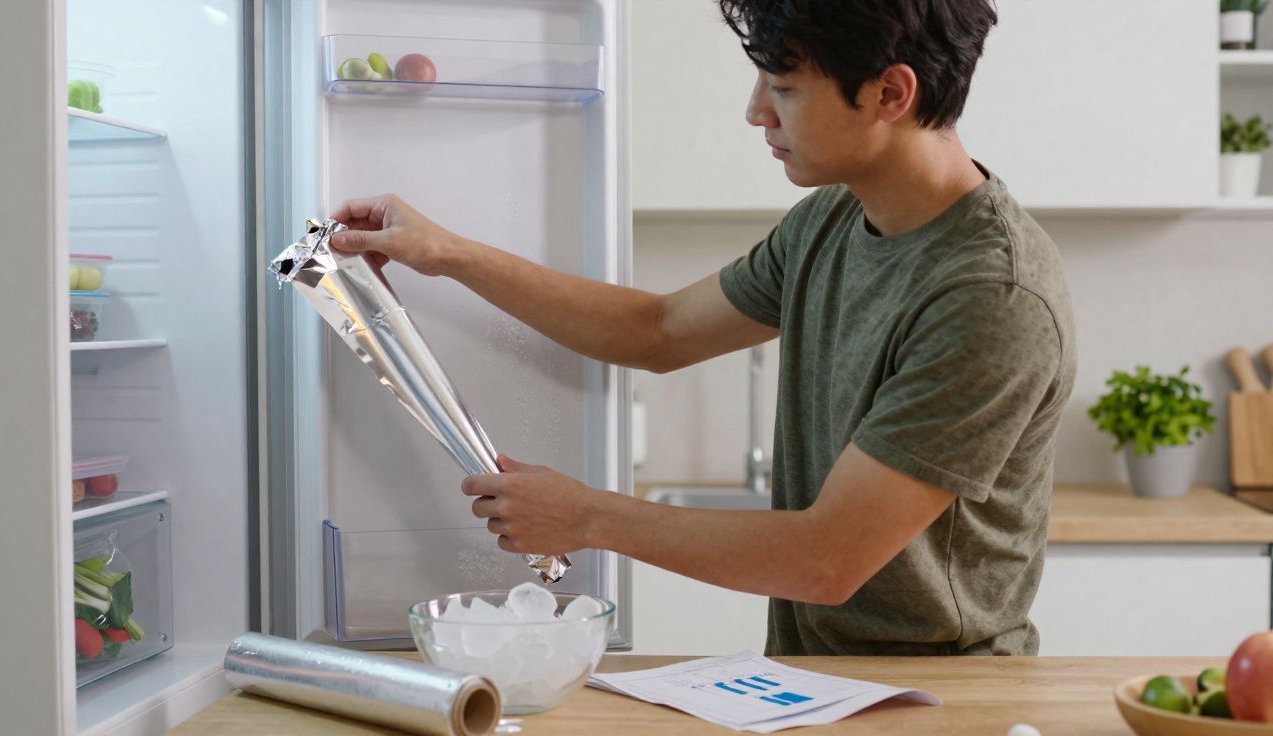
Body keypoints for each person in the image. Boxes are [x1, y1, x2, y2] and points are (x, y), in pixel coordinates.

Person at [327, 0, 1076, 656]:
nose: (757, 112)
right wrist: (448, 253)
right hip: (820, 677)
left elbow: (826, 559)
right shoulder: (834, 220)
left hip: (939, 697)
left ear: (890, 92)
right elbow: (658, 330)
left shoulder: (991, 295)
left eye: (783, 87)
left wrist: (585, 516)